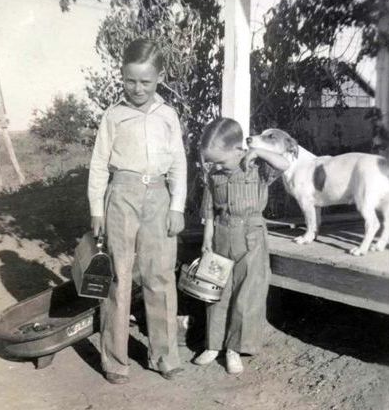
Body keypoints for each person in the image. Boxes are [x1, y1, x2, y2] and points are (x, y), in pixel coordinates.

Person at [88, 38, 187, 384]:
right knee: (119, 274)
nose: (137, 88)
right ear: (122, 76)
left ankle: (165, 355)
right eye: (130, 80)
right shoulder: (114, 115)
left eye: (145, 81)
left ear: (159, 77)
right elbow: (99, 164)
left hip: (159, 196)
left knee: (160, 275)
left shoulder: (168, 116)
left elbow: (179, 164)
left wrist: (177, 206)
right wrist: (96, 210)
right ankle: (115, 360)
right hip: (122, 196)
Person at [194, 118, 289, 374]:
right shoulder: (214, 176)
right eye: (213, 162)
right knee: (216, 292)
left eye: (221, 161)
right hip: (221, 236)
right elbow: (210, 212)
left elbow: (285, 163)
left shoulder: (258, 167)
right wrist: (206, 240)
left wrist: (258, 150)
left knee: (246, 294)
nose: (217, 166)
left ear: (239, 150)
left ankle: (235, 349)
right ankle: (214, 344)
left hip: (251, 237)